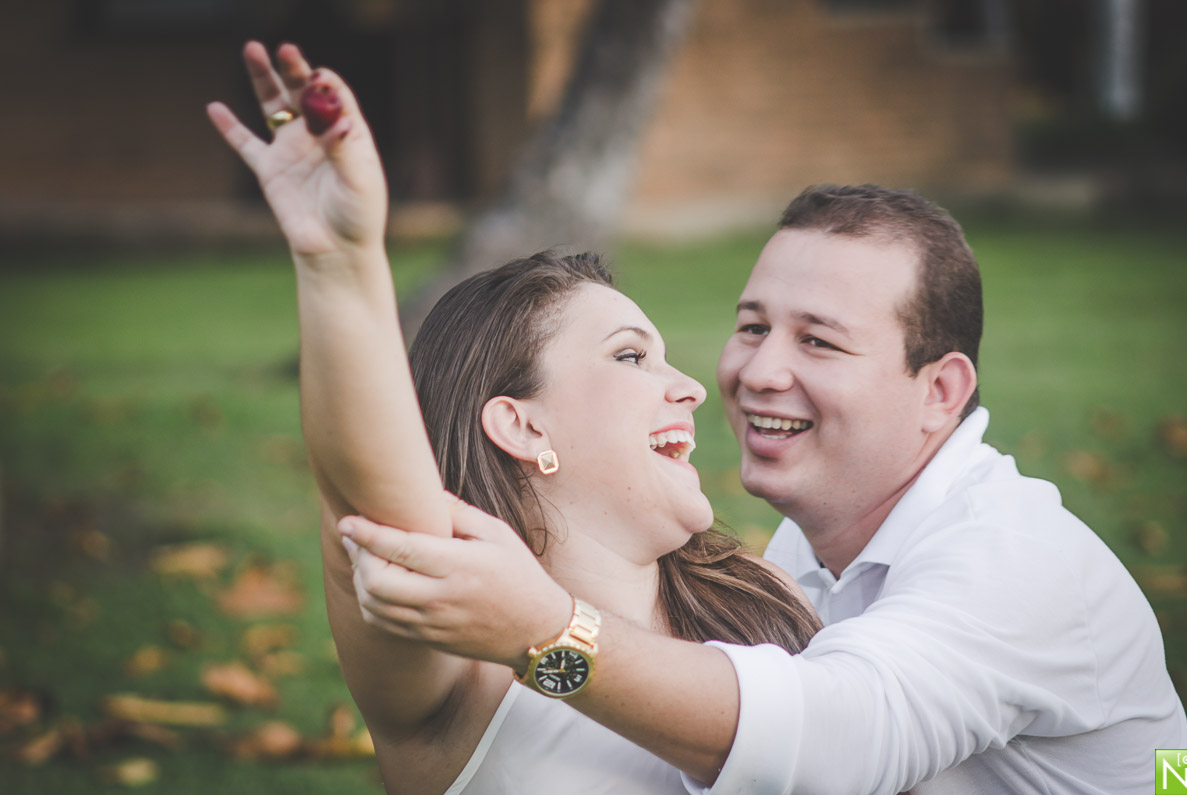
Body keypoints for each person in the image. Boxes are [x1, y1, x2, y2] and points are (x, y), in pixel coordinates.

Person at [339, 183, 1187, 793]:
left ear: (939, 391)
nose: (750, 372)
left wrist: (547, 640)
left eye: (818, 341)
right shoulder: (786, 567)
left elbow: (833, 748)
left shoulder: (1015, 560)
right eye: (752, 326)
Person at [206, 41, 820, 794]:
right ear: (523, 426)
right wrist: (339, 258)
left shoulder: (766, 594)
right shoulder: (463, 657)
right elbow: (370, 497)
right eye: (631, 357)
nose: (691, 387)